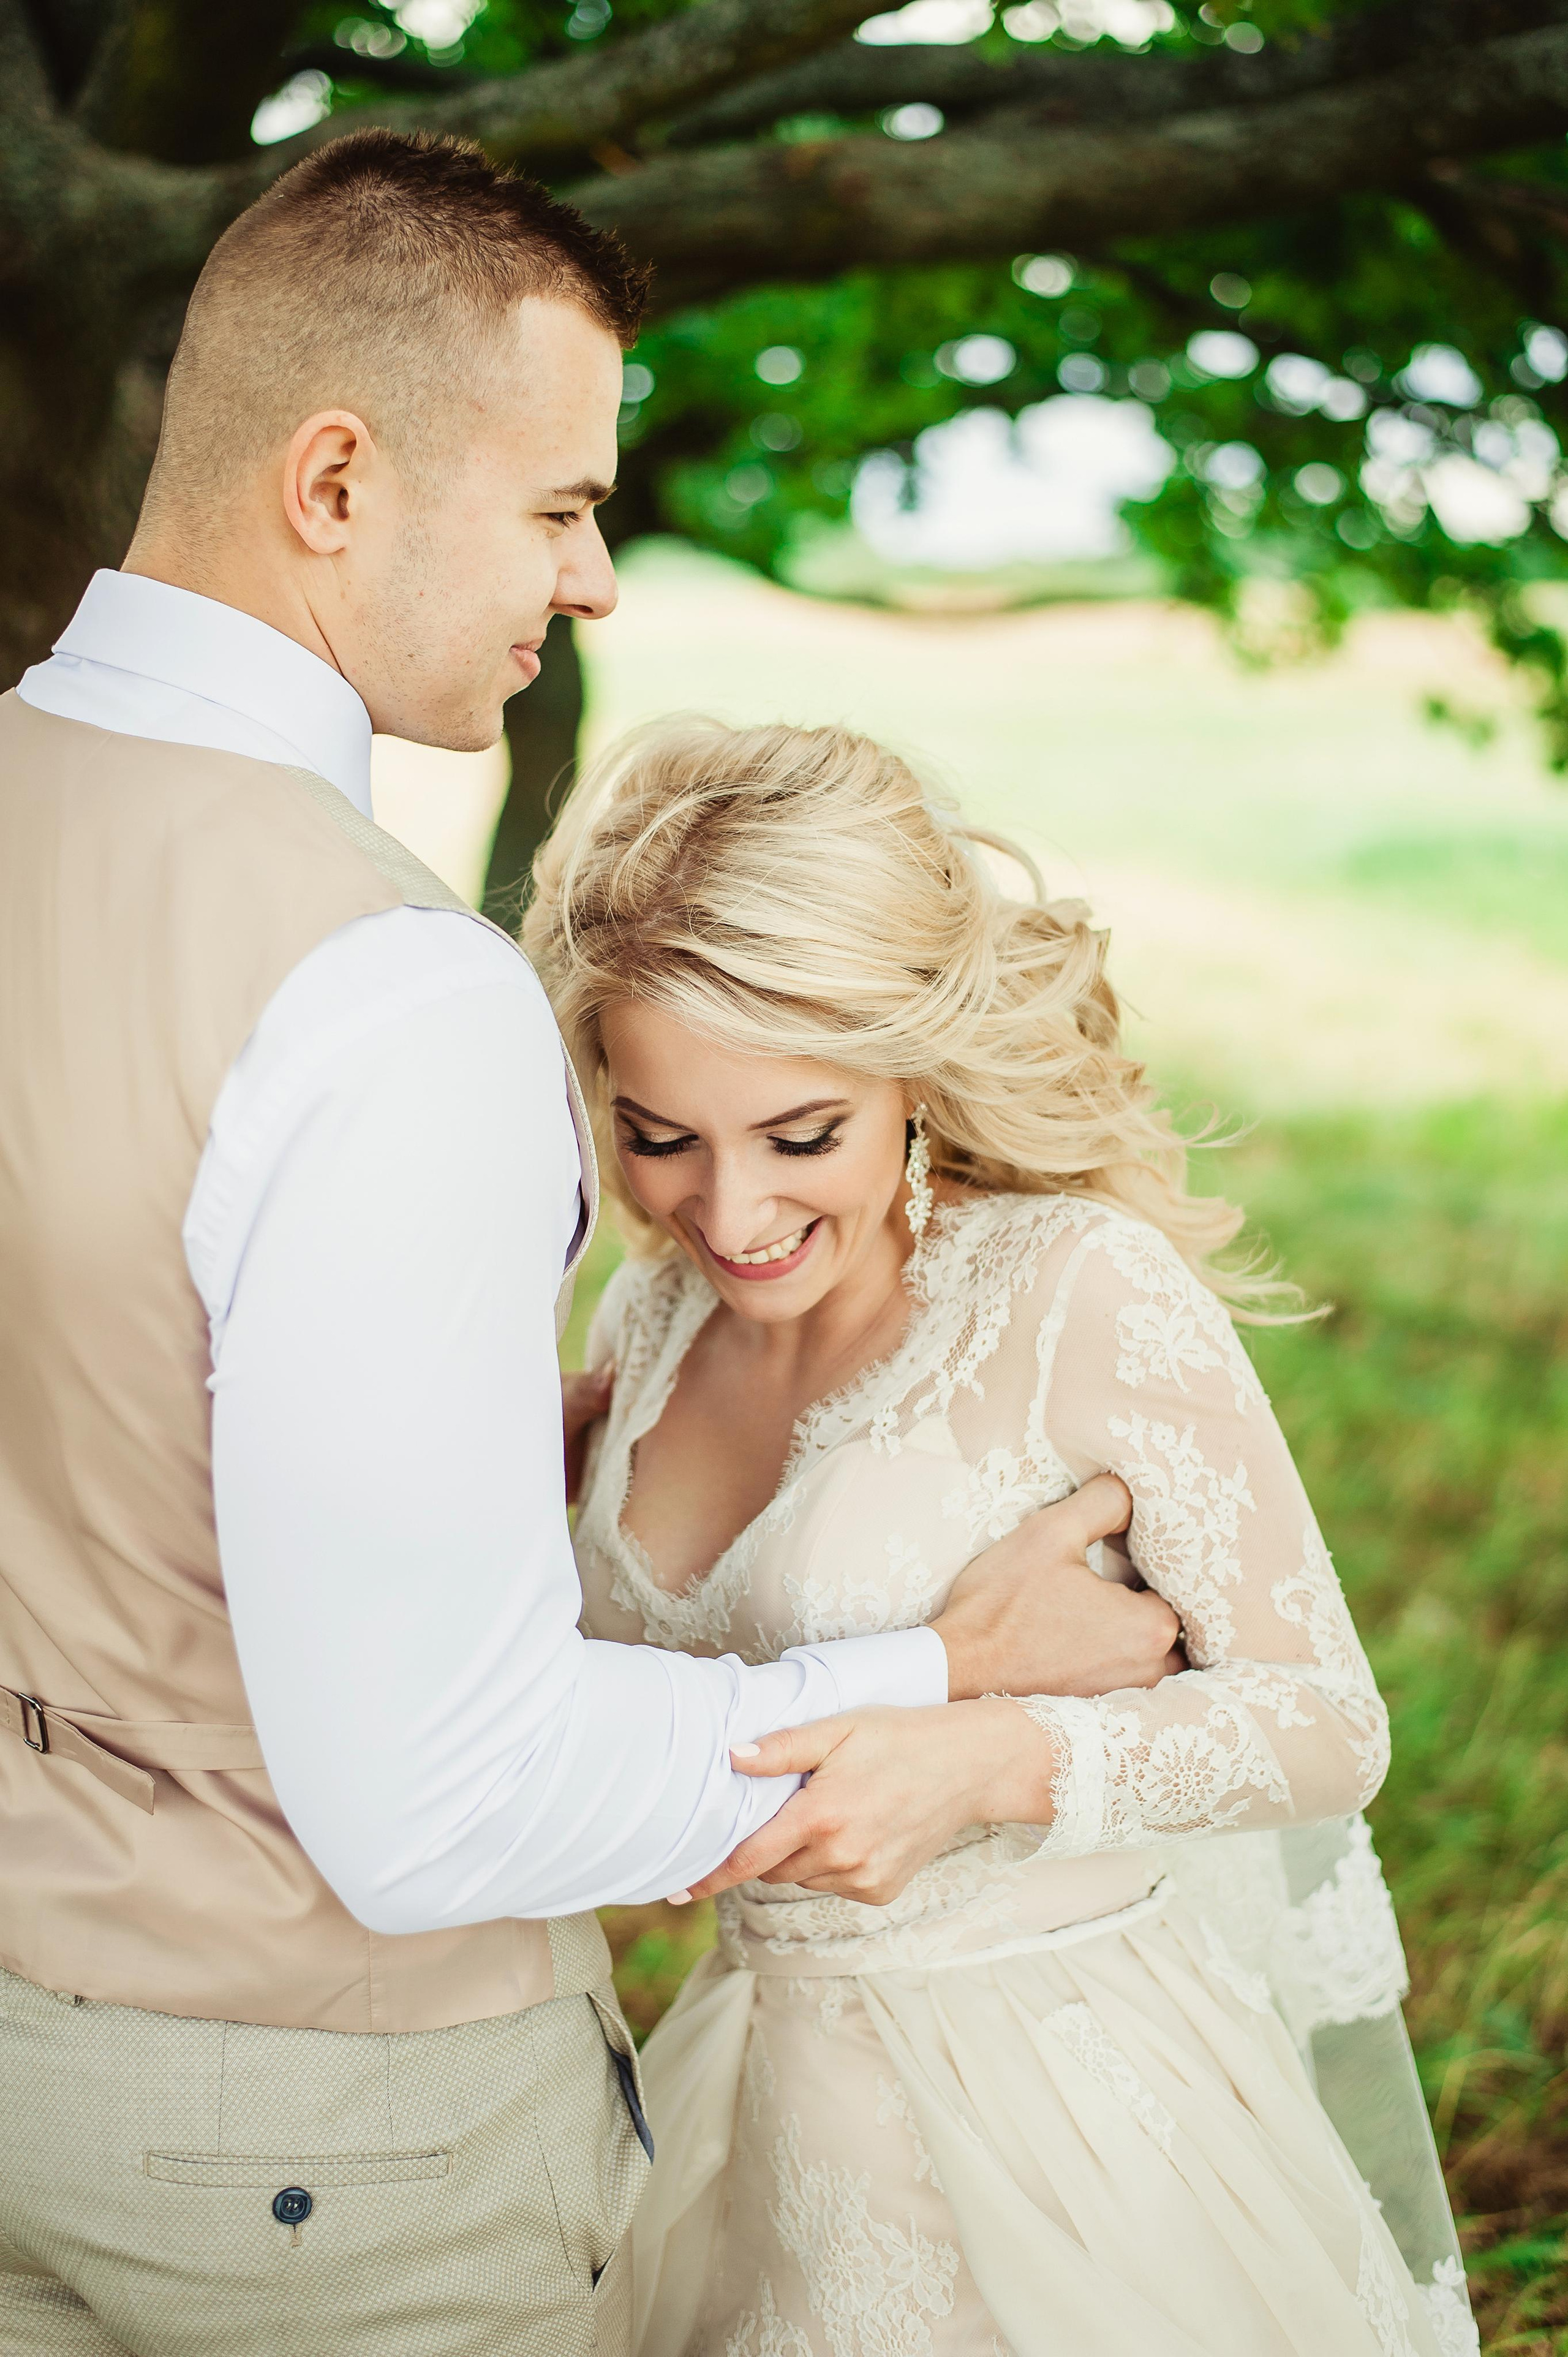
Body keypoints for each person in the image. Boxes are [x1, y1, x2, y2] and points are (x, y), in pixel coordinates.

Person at [0, 134, 1178, 2357]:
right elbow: (444, 1813)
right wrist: (940, 1669)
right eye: (558, 503)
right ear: (335, 483)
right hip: (328, 2168)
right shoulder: (379, 989)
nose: (602, 576)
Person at [526, 716, 1479, 2357]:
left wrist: (985, 1761)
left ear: (912, 1069)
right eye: (658, 1136)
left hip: (1056, 2122)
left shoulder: (1072, 1292)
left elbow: (1326, 1724)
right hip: (758, 2090)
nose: (729, 1216)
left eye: (801, 1135)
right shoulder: (658, 1309)